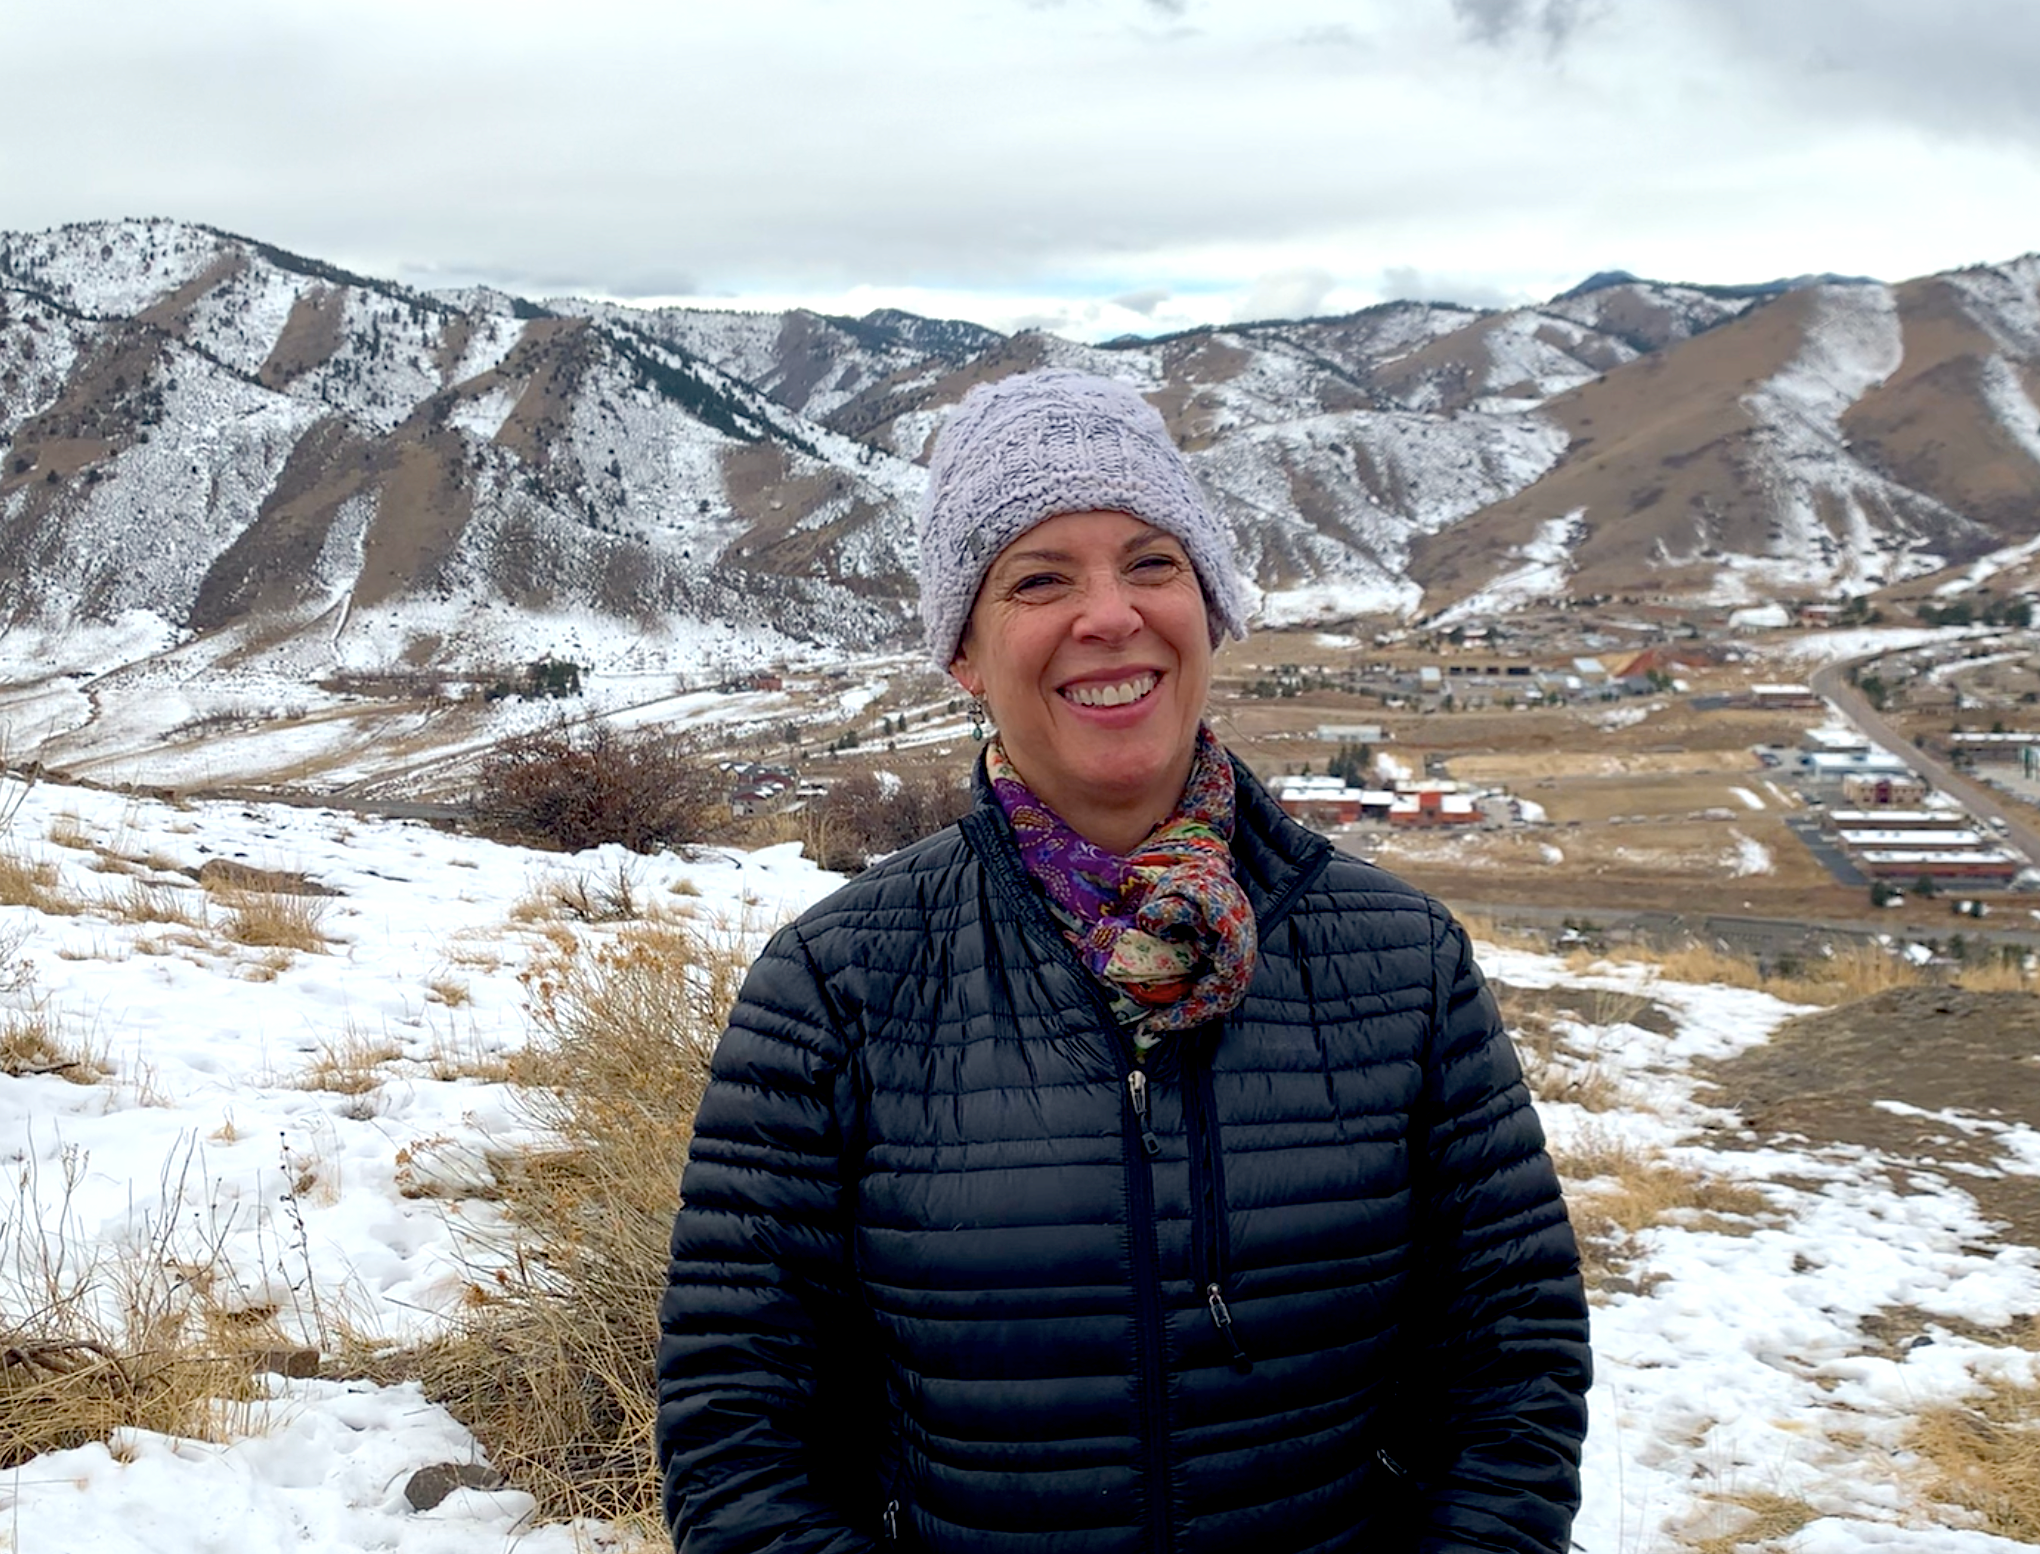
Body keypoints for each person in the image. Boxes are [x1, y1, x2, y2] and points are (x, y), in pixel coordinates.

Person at [656, 368, 1590, 1554]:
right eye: (1039, 579)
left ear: (1209, 604)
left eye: (1151, 563)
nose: (1109, 616)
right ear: (964, 653)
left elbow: (1515, 1374)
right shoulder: (837, 985)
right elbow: (737, 1436)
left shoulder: (1399, 962)